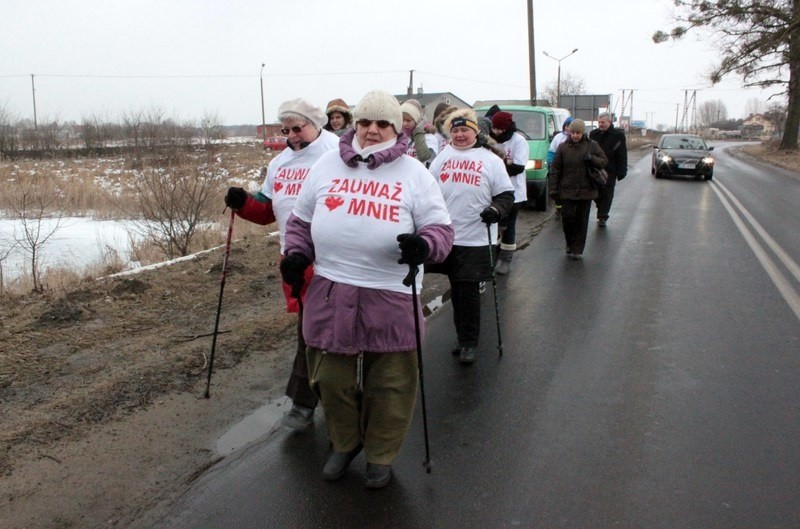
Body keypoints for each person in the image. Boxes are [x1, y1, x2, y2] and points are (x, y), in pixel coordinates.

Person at [280, 89, 454, 488]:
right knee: (329, 378)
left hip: (390, 291)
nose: (371, 130)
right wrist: (297, 254)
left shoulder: (414, 174)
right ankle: (345, 442)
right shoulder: (326, 165)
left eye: (381, 124)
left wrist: (423, 246)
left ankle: (381, 453)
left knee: (390, 383)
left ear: (395, 129)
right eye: (364, 122)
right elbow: (301, 222)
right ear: (354, 124)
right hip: (331, 287)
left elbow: (441, 230)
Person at [223, 98, 338, 431]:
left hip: (335, 258)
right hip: (295, 260)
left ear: (317, 124)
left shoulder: (337, 153)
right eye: (285, 129)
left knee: (328, 332)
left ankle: (329, 401)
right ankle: (309, 402)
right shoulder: (280, 163)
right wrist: (244, 202)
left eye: (297, 128)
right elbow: (268, 208)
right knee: (309, 332)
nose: (291, 135)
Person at [427, 108, 514, 364]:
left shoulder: (490, 160)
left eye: (464, 129)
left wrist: (495, 210)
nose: (460, 134)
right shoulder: (443, 157)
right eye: (455, 130)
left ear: (475, 132)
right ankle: (461, 336)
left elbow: (506, 196)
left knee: (467, 290)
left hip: (475, 237)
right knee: (457, 288)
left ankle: (469, 342)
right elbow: (428, 191)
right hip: (446, 236)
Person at [548, 118, 608, 260]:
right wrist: (553, 189)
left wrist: (591, 158)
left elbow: (603, 161)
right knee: (567, 219)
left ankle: (577, 249)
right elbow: (555, 169)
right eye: (573, 133)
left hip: (586, 191)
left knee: (582, 221)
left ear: (583, 133)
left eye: (578, 133)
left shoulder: (592, 146)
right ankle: (569, 242)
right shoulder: (563, 147)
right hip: (566, 190)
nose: (575, 135)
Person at [489, 111, 529, 275]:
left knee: (508, 226)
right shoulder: (490, 140)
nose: (496, 132)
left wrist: (499, 166)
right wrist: (504, 163)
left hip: (514, 191)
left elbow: (518, 167)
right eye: (495, 129)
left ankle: (506, 259)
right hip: (493, 191)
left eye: (500, 129)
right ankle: (493, 257)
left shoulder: (518, 141)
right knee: (494, 226)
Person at [589, 112, 628, 227]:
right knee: (595, 193)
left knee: (607, 194)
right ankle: (600, 207)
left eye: (603, 122)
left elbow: (622, 154)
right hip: (595, 169)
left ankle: (603, 216)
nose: (600, 124)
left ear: (609, 122)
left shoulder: (618, 135)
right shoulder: (593, 134)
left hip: (610, 170)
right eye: (599, 122)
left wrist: (622, 171)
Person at [400, 99, 433, 165]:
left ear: (416, 121)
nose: (404, 124)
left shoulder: (429, 137)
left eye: (408, 120)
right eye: (402, 120)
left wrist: (418, 132)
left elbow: (423, 156)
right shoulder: (396, 136)